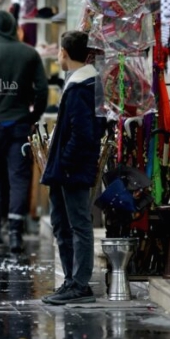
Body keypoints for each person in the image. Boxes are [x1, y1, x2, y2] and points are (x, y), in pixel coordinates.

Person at [0, 10, 49, 253]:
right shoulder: (29, 54)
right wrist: (33, 116)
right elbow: (42, 90)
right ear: (14, 28)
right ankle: (15, 234)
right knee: (19, 177)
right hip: (21, 125)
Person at [40, 30, 105, 305]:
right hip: (65, 169)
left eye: (59, 51)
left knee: (78, 224)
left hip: (72, 169)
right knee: (62, 223)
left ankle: (79, 284)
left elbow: (83, 133)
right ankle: (70, 281)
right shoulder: (81, 82)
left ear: (64, 53)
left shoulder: (81, 86)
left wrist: (66, 162)